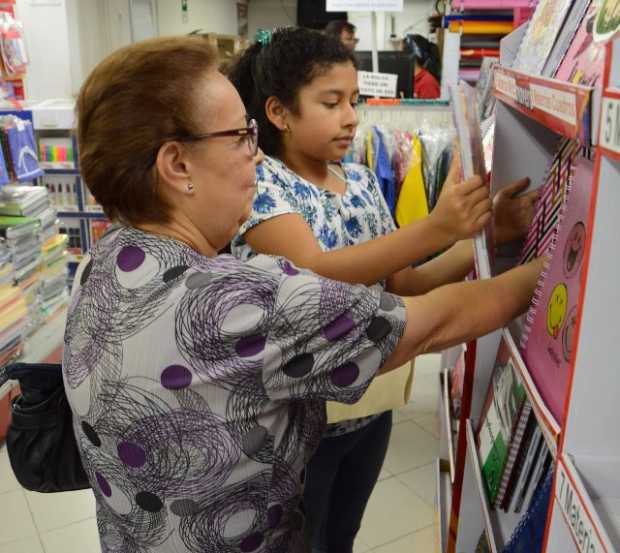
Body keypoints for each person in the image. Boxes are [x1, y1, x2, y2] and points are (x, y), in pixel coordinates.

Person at [67, 35, 540, 553]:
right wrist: (566, 261)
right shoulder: (233, 302)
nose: (255, 155)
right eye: (241, 137)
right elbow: (435, 319)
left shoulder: (102, 262)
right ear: (177, 165)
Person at [228, 27, 538, 553]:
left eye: (355, 101)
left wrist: (482, 237)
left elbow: (403, 282)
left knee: (341, 535)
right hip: (300, 421)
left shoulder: (364, 182)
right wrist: (440, 227)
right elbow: (313, 271)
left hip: (371, 406)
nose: (351, 117)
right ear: (279, 113)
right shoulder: (263, 187)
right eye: (331, 103)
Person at [405, 34, 441, 99]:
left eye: (401, 52)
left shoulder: (428, 84)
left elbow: (430, 109)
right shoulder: (407, 79)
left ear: (411, 56)